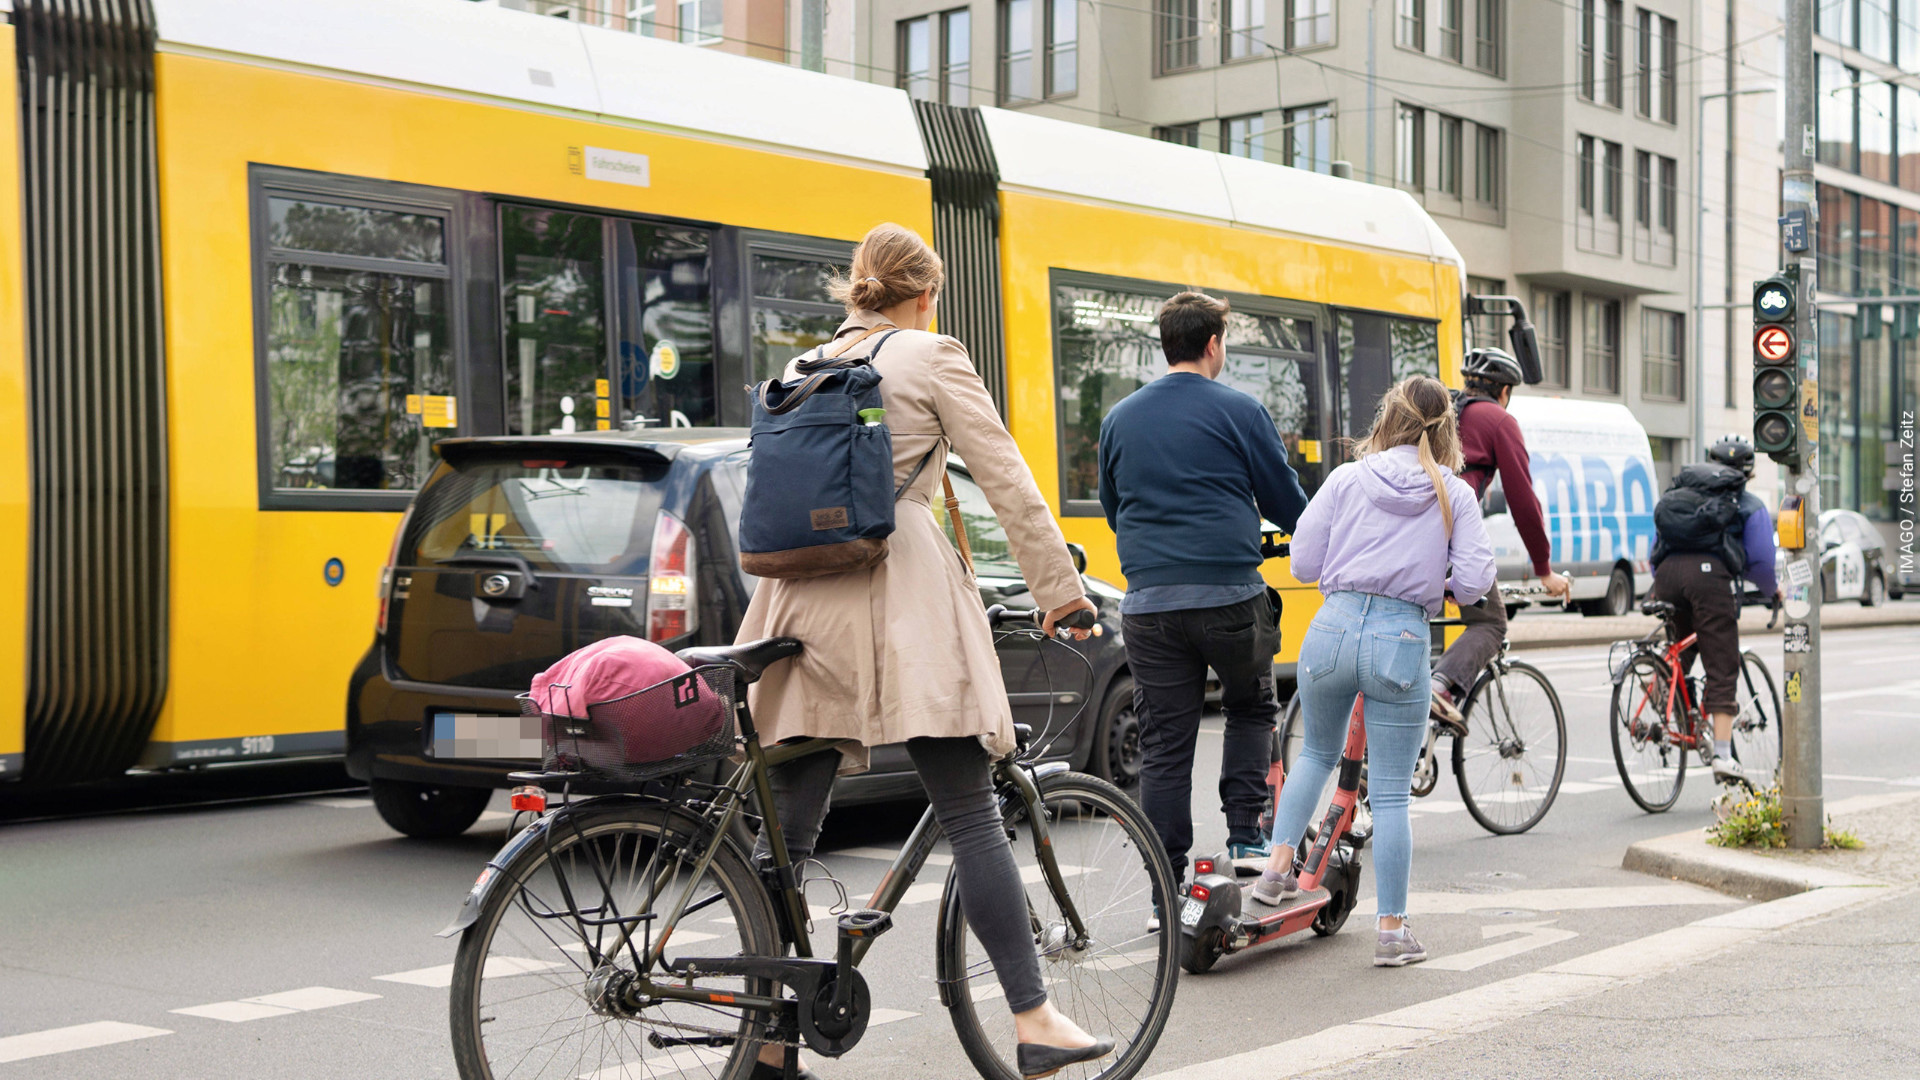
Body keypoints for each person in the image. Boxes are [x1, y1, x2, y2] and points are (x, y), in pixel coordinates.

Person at [735, 223, 1112, 1080]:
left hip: (792, 603)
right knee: (972, 812)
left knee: (785, 840)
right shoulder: (931, 354)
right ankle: (1035, 1018)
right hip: (898, 595)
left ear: (855, 290)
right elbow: (1006, 478)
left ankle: (768, 1039)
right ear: (927, 292)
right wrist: (1061, 591)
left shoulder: (801, 366)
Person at [1253, 375, 1496, 968]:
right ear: (1445, 431)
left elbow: (1306, 561)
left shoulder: (1345, 478)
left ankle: (1277, 868)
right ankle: (1391, 931)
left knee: (1314, 754)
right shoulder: (1454, 495)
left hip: (1331, 628)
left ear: (1387, 416)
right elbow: (1473, 585)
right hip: (1400, 635)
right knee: (1388, 794)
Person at [1096, 291, 1310, 899]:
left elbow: (1116, 511)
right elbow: (1286, 504)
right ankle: (1245, 839)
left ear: (1167, 346)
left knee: (1164, 743)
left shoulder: (1120, 418)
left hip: (1149, 604)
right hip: (1229, 598)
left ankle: (1165, 881)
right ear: (1214, 344)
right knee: (1249, 705)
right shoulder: (1241, 411)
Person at [1428, 348, 1571, 729]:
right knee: (1490, 624)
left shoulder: (1441, 412)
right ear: (1504, 391)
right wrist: (1544, 570)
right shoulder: (1499, 419)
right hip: (1447, 532)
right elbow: (1522, 498)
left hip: (1403, 531)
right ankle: (1440, 688)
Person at [1649, 435, 1777, 786]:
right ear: (1747, 473)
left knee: (1680, 650)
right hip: (1709, 579)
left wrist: (1663, 582)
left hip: (1666, 575)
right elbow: (1763, 561)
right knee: (1722, 663)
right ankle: (1722, 754)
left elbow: (1654, 546)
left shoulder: (1679, 495)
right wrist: (1773, 590)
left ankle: (1659, 702)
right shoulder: (1747, 504)